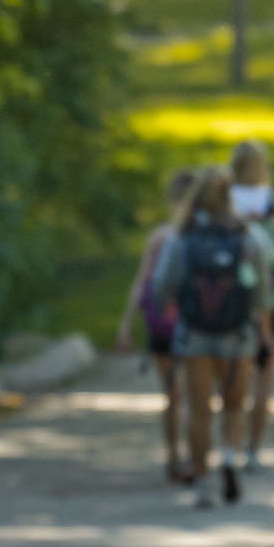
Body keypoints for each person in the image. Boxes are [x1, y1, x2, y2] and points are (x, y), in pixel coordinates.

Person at [151, 169, 267, 506]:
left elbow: (162, 286)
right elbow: (261, 289)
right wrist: (260, 325)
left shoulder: (182, 236)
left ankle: (202, 480)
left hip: (194, 334)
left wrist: (167, 308)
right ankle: (230, 457)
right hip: (237, 334)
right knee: (234, 405)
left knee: (199, 410)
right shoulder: (248, 236)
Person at [116, 171, 205, 483]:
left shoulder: (160, 236)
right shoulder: (200, 235)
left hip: (162, 326)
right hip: (196, 325)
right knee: (193, 397)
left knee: (173, 395)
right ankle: (194, 459)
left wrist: (126, 324)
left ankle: (173, 457)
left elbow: (142, 283)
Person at [228, 139, 274, 470]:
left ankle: (231, 442)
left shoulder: (224, 202)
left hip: (234, 298)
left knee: (232, 377)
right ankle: (254, 448)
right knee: (264, 378)